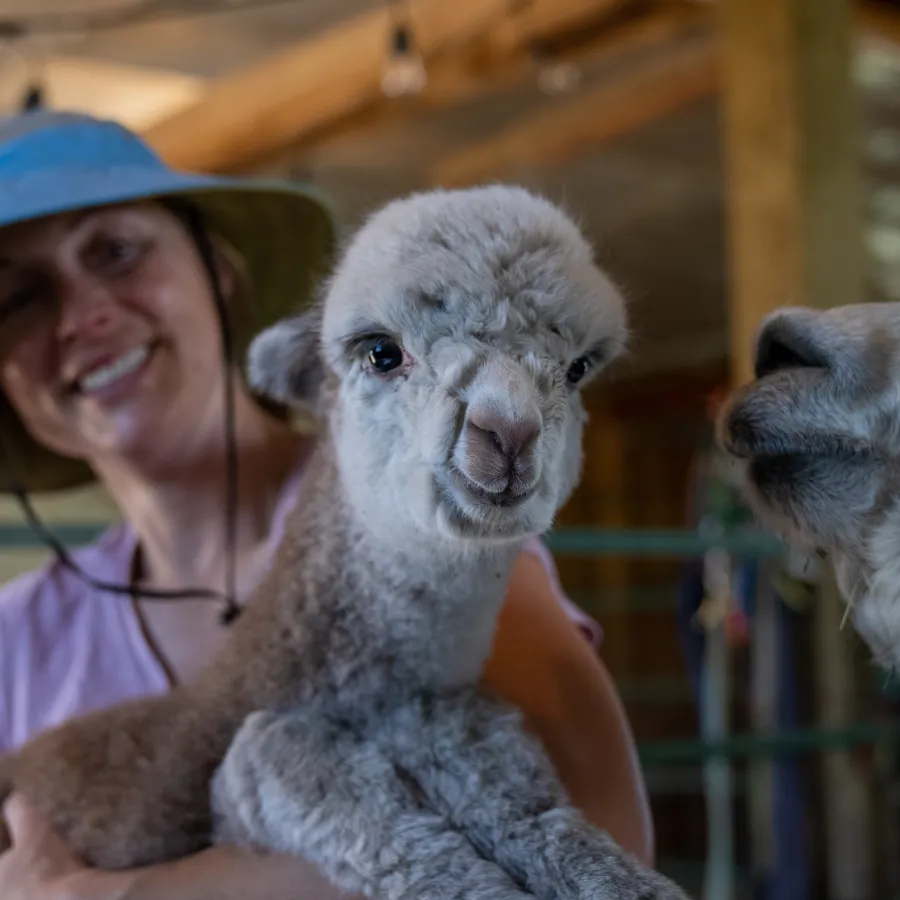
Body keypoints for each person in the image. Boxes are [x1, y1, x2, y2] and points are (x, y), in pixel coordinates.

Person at [0, 110, 654, 899]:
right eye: (18, 298)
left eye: (116, 251)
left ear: (220, 272)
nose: (82, 315)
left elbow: (604, 842)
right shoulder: (21, 637)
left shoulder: (419, 519)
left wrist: (121, 895)